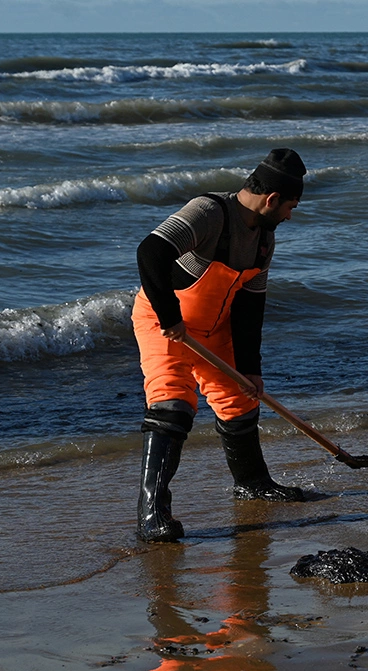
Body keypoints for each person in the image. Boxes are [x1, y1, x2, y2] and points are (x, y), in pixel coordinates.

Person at [132, 148, 308, 543]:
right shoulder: (209, 212)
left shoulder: (264, 240)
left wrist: (251, 368)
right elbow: (150, 252)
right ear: (271, 199)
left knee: (241, 399)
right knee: (173, 406)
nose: (289, 217)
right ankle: (151, 514)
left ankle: (253, 483)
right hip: (165, 324)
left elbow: (250, 307)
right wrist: (170, 316)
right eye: (290, 207)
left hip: (215, 328)